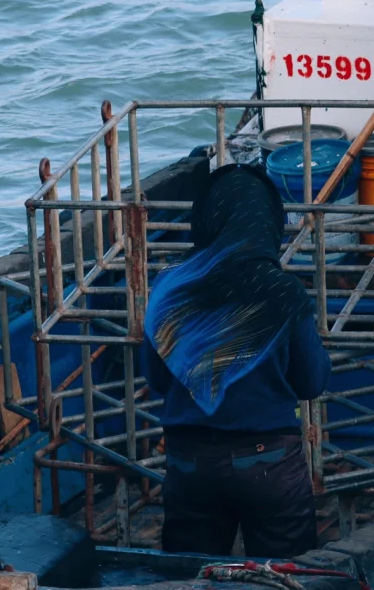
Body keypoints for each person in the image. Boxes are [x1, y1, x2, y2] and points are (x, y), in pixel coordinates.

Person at [142, 165, 331, 558]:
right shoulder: (281, 291)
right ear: (266, 219)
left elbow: (157, 379)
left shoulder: (169, 286)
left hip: (189, 463)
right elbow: (311, 382)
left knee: (189, 578)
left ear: (208, 216)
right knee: (286, 579)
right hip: (270, 463)